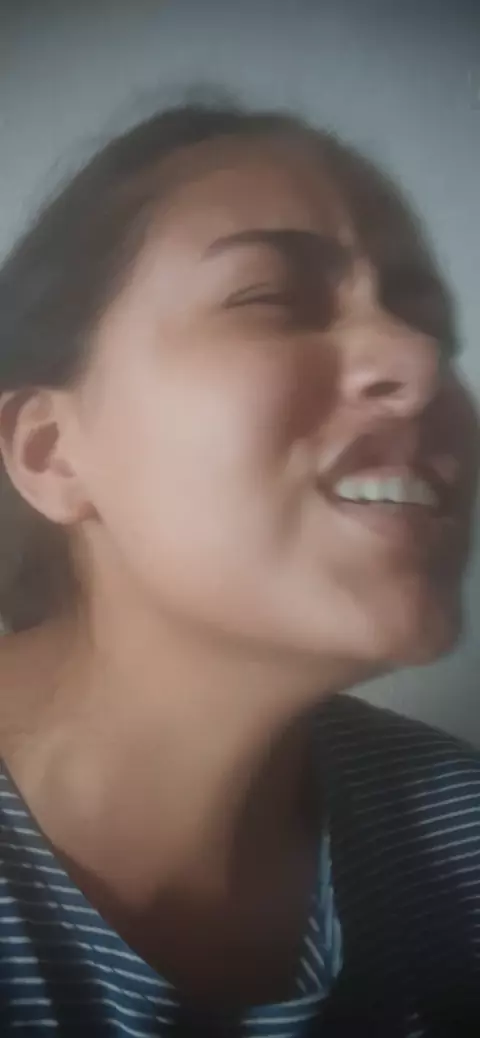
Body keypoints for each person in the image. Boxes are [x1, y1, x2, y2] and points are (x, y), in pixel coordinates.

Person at [0, 99, 478, 1038]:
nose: (421, 360)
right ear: (51, 451)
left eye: (428, 321)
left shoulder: (460, 836)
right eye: (271, 299)